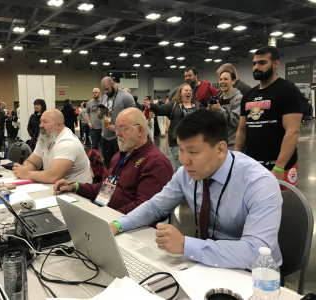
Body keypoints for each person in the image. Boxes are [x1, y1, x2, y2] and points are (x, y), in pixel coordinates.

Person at [109, 109, 282, 270]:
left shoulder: (258, 183)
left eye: (192, 151)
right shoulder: (186, 174)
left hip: (252, 273)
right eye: (181, 150)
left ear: (221, 149)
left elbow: (256, 252)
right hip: (205, 263)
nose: (184, 160)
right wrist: (117, 224)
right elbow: (155, 206)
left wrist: (186, 245)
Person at [54, 107, 173, 214]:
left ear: (140, 130)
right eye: (116, 128)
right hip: (104, 214)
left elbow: (145, 208)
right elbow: (104, 188)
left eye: (123, 129)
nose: (117, 133)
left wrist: (107, 216)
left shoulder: (155, 163)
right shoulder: (119, 157)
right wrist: (75, 186)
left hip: (127, 227)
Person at [235, 46, 303, 187]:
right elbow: (242, 130)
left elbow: (292, 131)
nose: (257, 67)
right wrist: (236, 160)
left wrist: (279, 167)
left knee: (283, 206)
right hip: (252, 165)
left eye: (262, 63)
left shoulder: (288, 91)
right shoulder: (248, 95)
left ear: (275, 64)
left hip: (279, 167)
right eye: (254, 64)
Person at [13, 109, 92, 184]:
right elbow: (33, 163)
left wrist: (27, 174)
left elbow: (53, 176)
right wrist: (25, 169)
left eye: (45, 122)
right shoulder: (46, 138)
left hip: (78, 194)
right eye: (41, 122)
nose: (40, 125)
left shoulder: (68, 142)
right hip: (58, 188)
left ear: (58, 125)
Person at [145, 84, 200, 172]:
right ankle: (179, 183)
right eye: (186, 90)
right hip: (177, 141)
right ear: (180, 93)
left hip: (193, 141)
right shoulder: (174, 105)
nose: (188, 92)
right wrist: (152, 105)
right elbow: (161, 110)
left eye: (190, 90)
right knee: (180, 166)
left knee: (192, 165)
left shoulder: (196, 105)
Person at [97, 76, 135, 169]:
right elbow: (99, 116)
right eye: (103, 90)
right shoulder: (105, 97)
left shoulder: (126, 96)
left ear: (113, 84)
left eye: (107, 89)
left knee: (120, 166)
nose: (105, 92)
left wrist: (117, 128)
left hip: (119, 137)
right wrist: (101, 112)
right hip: (105, 137)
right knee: (108, 166)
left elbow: (134, 117)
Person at [208, 71, 242, 150]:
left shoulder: (238, 98)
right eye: (220, 79)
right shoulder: (218, 98)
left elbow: (236, 120)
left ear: (233, 81)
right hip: (218, 143)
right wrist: (209, 110)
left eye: (226, 79)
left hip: (231, 145)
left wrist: (219, 109)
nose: (222, 82)